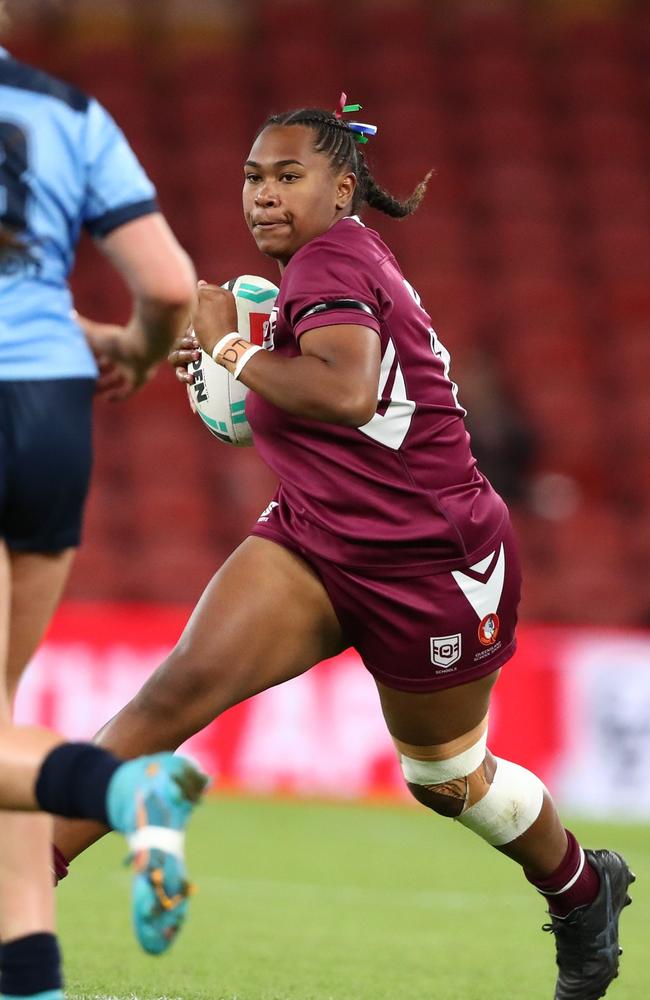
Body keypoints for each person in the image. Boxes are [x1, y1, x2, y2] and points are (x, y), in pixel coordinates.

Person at [52, 97, 634, 999]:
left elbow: (347, 393)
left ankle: (583, 888)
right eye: (254, 177)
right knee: (168, 700)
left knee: (445, 777)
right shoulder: (320, 272)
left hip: (435, 564)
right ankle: (21, 896)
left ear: (344, 188)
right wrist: (232, 378)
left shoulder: (331, 259)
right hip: (316, 540)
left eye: (291, 177)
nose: (265, 196)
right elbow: (313, 406)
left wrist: (229, 352)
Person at [0, 30, 205, 1000]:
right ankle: (28, 979)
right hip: (49, 405)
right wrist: (135, 345)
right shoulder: (71, 112)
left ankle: (121, 786)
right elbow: (169, 284)